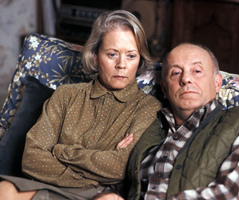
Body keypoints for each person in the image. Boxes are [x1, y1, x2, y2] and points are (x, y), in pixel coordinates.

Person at [0, 10, 161, 200]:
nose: (121, 65)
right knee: (5, 190)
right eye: (112, 54)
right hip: (51, 185)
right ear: (94, 56)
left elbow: (119, 166)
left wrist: (60, 151)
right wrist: (91, 173)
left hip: (100, 195)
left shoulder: (148, 107)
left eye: (131, 56)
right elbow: (31, 159)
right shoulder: (66, 95)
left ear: (140, 59)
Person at [95, 43, 239, 200]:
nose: (186, 79)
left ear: (217, 83)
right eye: (175, 73)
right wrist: (106, 195)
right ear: (164, 89)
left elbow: (234, 194)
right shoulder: (146, 127)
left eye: (197, 71)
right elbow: (119, 182)